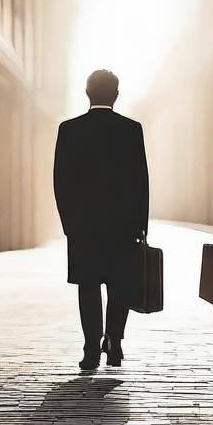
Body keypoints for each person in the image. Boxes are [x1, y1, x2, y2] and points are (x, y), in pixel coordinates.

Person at [53, 69, 150, 372]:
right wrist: (141, 224)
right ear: (117, 95)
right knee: (120, 285)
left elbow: (60, 180)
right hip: (123, 225)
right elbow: (140, 181)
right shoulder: (131, 129)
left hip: (83, 226)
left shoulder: (69, 129)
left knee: (88, 285)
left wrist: (68, 222)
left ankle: (90, 348)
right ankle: (115, 343)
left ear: (87, 92)